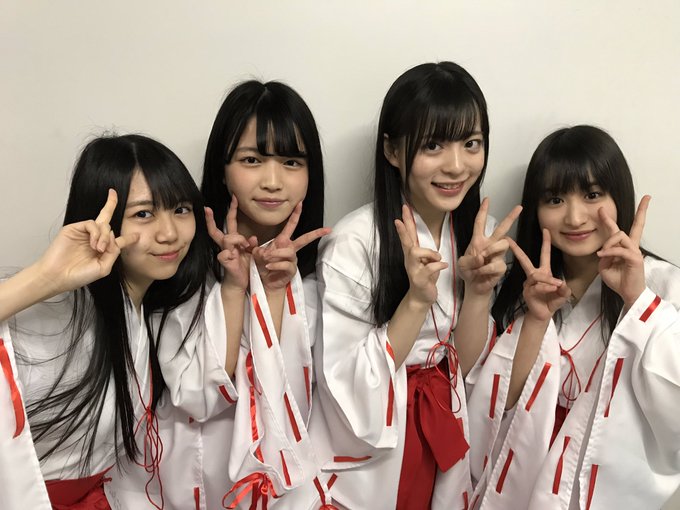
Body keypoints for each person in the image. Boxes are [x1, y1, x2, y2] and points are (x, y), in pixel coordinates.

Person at [298, 61, 520, 510]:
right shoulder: (354, 242)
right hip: (376, 447)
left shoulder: (480, 237)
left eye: (471, 143)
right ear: (393, 150)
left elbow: (466, 368)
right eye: (433, 145)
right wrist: (416, 301)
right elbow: (345, 386)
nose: (456, 166)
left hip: (445, 429)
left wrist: (478, 292)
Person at [112, 80, 330, 510]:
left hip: (283, 489)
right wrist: (235, 287)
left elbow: (299, 402)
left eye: (291, 161)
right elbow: (198, 396)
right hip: (188, 481)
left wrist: (274, 289)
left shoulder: (319, 274)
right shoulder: (178, 262)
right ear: (222, 168)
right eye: (252, 160)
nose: (273, 181)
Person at [0, 134, 218, 509]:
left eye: (181, 209)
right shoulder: (60, 312)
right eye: (143, 214)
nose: (169, 233)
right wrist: (45, 278)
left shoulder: (143, 312)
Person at [468, 125, 680, 509]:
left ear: (619, 197)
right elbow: (495, 410)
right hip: (522, 485)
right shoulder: (518, 287)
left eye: (593, 195)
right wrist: (536, 320)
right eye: (555, 199)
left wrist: (638, 301)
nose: (575, 216)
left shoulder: (664, 287)